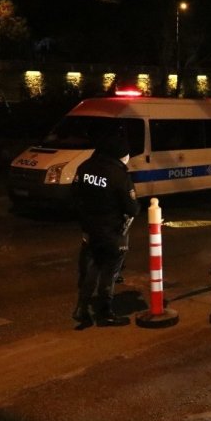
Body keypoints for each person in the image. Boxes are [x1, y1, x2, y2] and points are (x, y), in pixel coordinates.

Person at [72, 135, 139, 327]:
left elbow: (74, 195)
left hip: (89, 229)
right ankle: (105, 313)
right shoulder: (119, 175)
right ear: (120, 154)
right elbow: (132, 208)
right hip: (112, 232)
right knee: (109, 272)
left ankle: (82, 308)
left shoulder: (85, 167)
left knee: (91, 269)